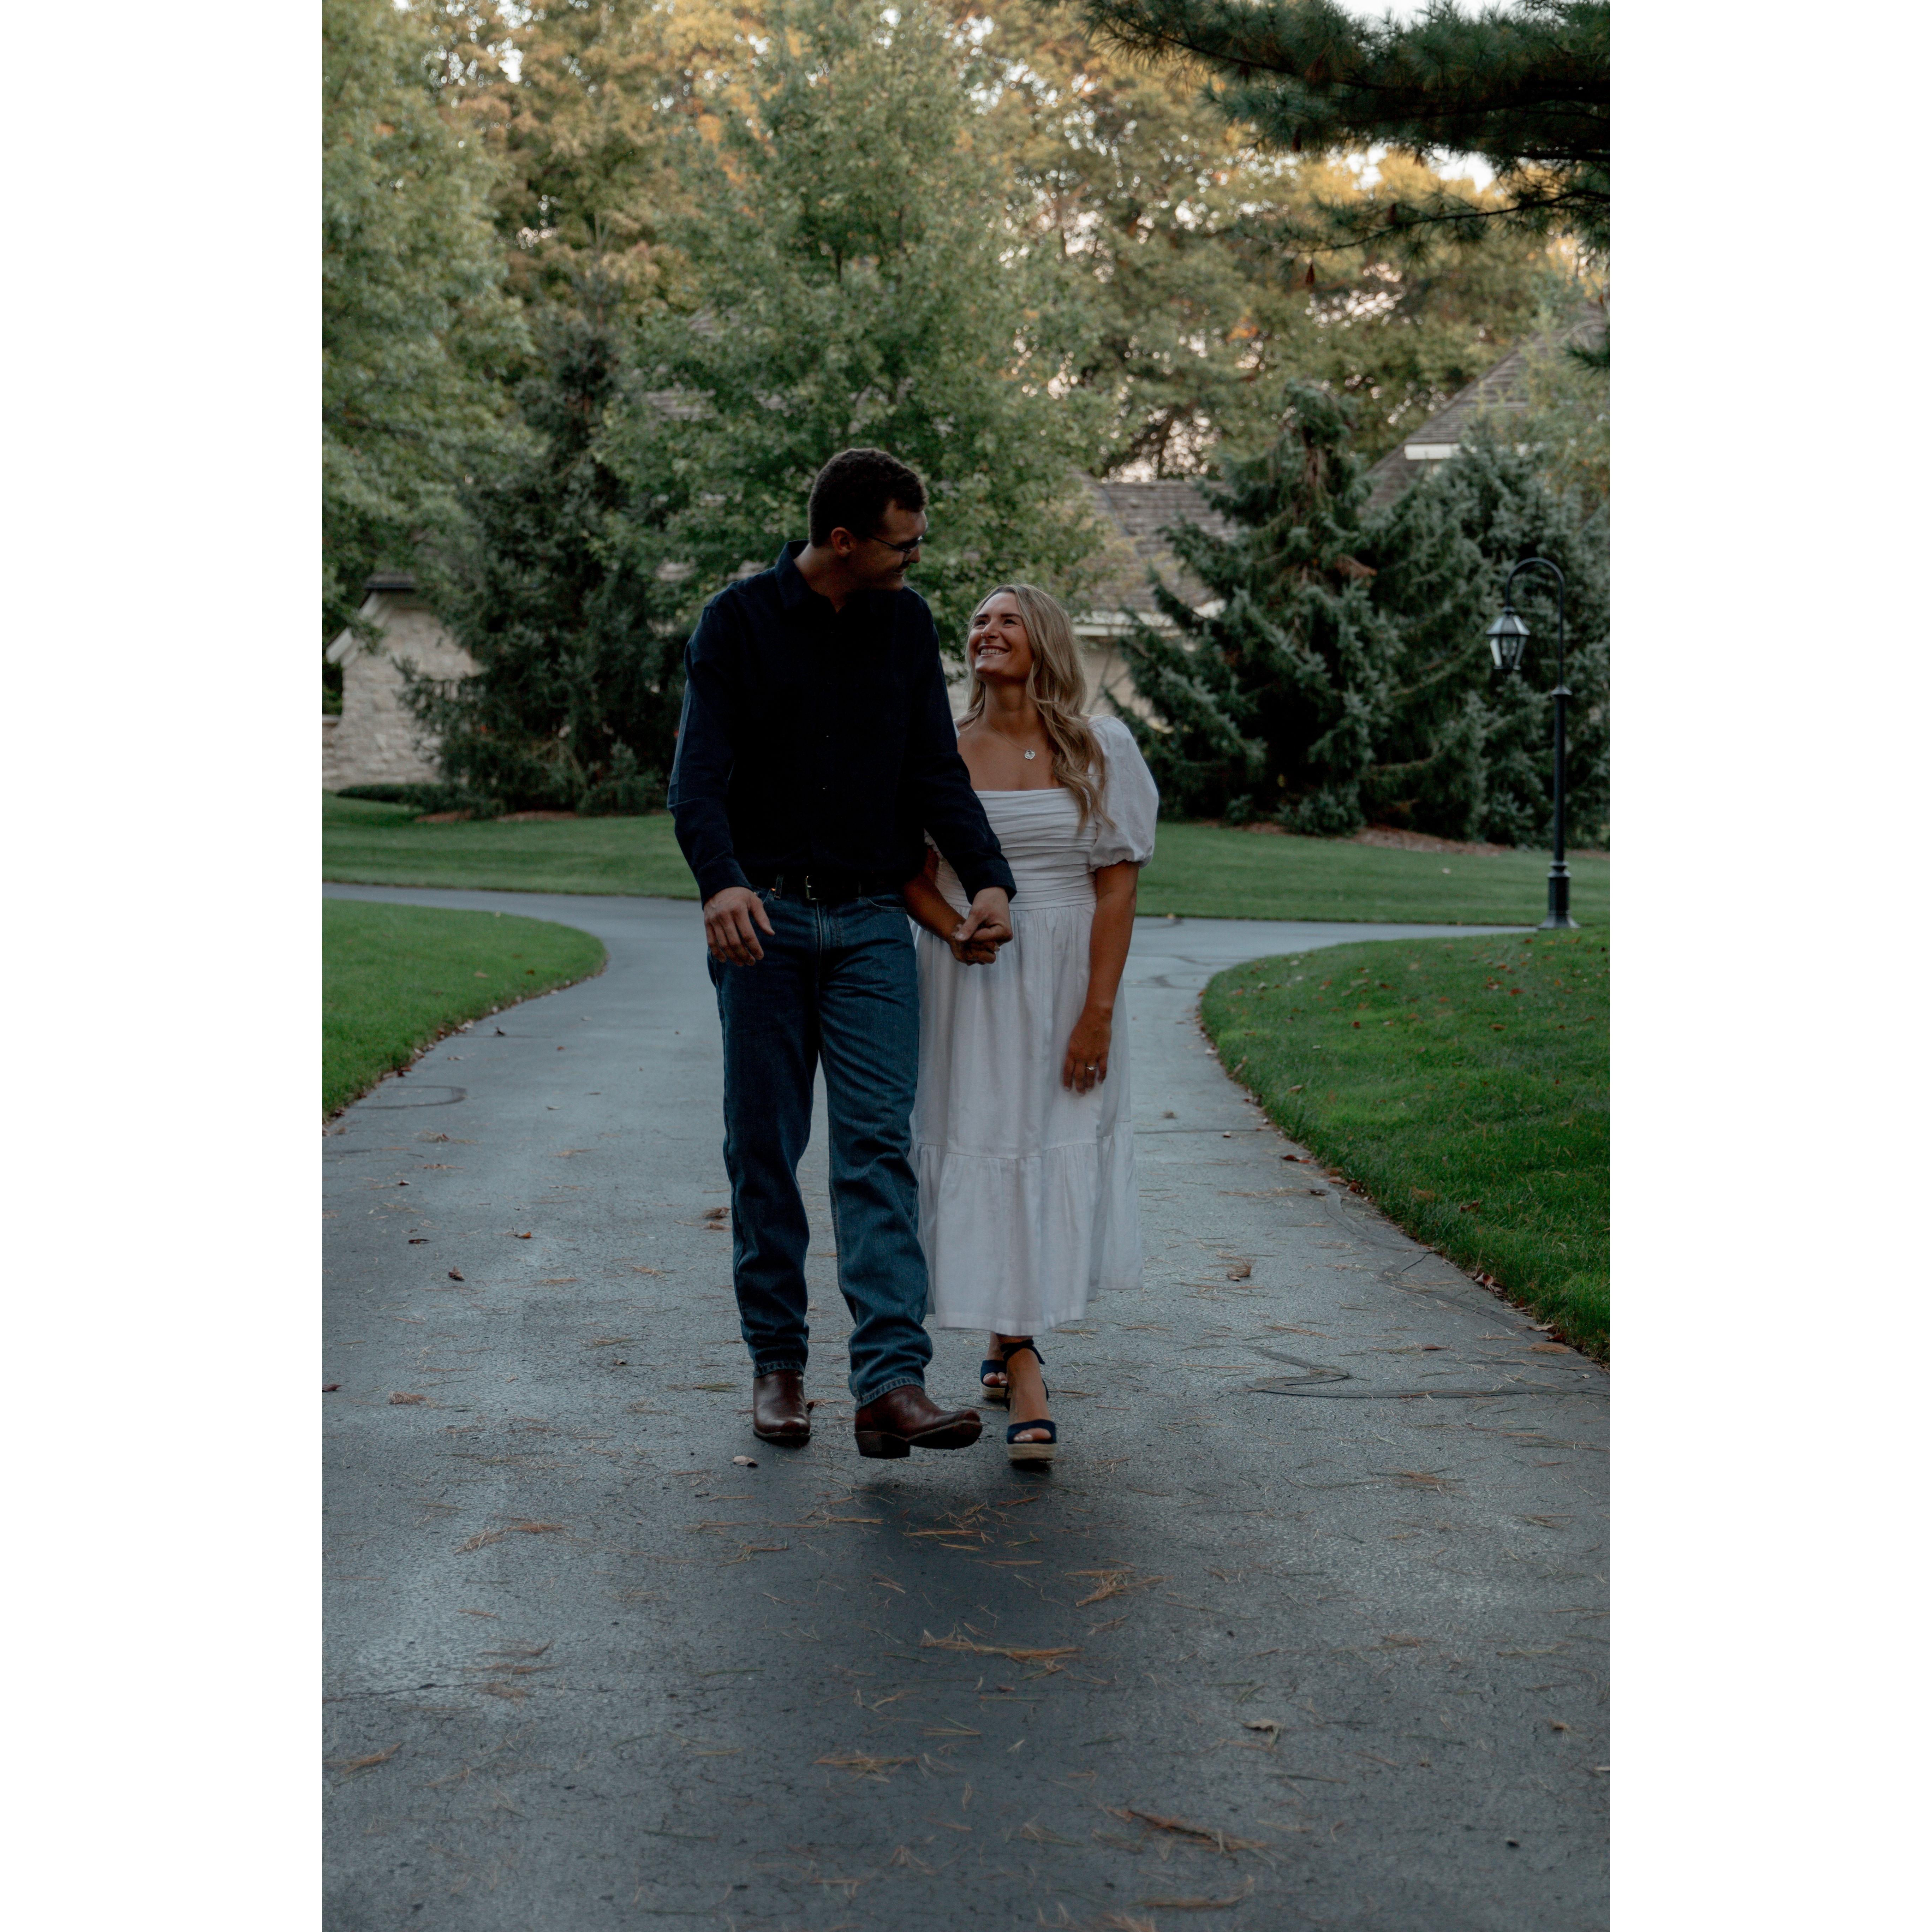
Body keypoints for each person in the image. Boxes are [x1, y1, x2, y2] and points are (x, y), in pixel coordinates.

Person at [668, 448, 1017, 1460]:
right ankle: (779, 1366)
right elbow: (697, 779)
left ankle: (890, 1385)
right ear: (843, 540)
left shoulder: (904, 626)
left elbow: (935, 772)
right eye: (905, 544)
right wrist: (721, 881)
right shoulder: (736, 623)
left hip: (871, 925)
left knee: (876, 1152)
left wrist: (990, 879)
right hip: (764, 927)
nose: (918, 559)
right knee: (765, 1152)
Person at [902, 584, 1158, 1463]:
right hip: (968, 980)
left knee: (1042, 1147)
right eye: (979, 620)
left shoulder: (1101, 747)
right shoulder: (940, 748)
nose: (988, 630)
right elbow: (910, 871)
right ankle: (1020, 1359)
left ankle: (1010, 1337)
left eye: (1006, 619)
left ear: (1043, 638)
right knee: (984, 1145)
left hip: (1065, 979)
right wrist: (954, 929)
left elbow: (1117, 888)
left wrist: (1098, 1014)